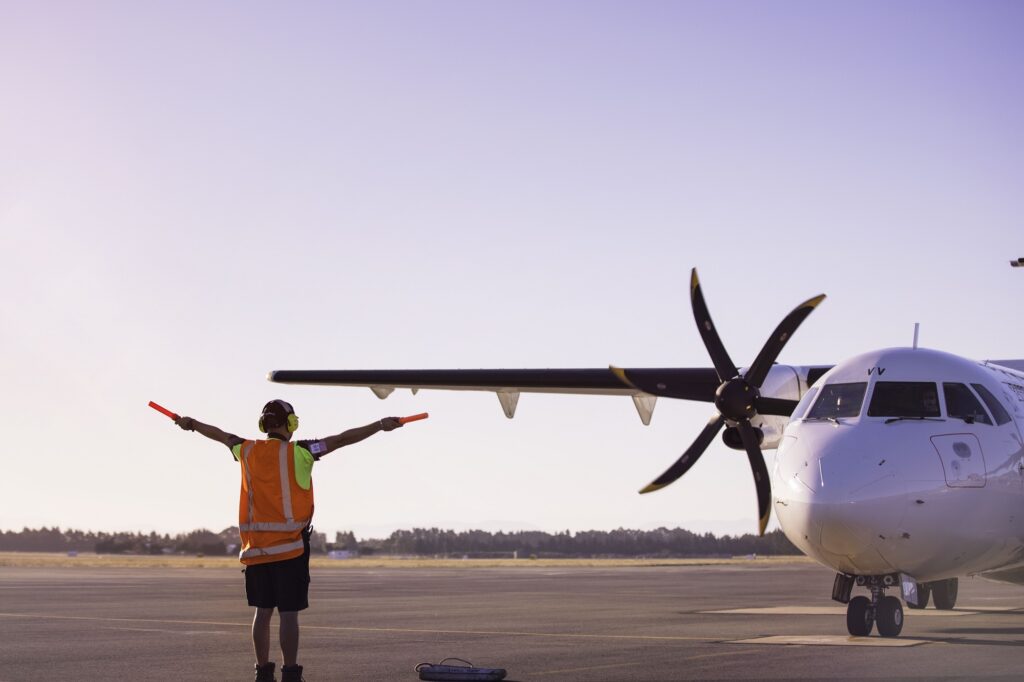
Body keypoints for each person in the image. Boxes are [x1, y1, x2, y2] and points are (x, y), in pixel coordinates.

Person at [175, 399, 403, 682]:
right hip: (290, 550)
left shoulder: (245, 450)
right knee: (289, 615)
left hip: (256, 551)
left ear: (263, 425)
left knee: (262, 612)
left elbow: (220, 434)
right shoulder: (303, 452)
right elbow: (343, 439)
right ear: (291, 424)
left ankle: (262, 673)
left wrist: (192, 424)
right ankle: (291, 673)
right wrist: (380, 426)